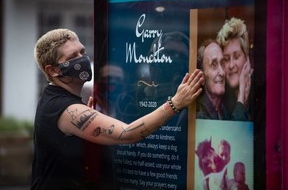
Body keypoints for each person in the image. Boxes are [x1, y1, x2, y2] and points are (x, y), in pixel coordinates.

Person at [31, 28, 204, 190]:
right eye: (72, 57)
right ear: (53, 70)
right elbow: (127, 133)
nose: (82, 59)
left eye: (82, 52)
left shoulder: (60, 101)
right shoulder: (65, 109)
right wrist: (176, 103)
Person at [217, 17, 253, 121]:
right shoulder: (220, 100)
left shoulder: (260, 93)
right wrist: (241, 95)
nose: (231, 65)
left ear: (247, 58)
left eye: (236, 56)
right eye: (226, 59)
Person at [196, 39, 228, 120]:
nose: (222, 73)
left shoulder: (224, 109)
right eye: (214, 65)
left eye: (222, 64)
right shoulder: (198, 113)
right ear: (202, 75)